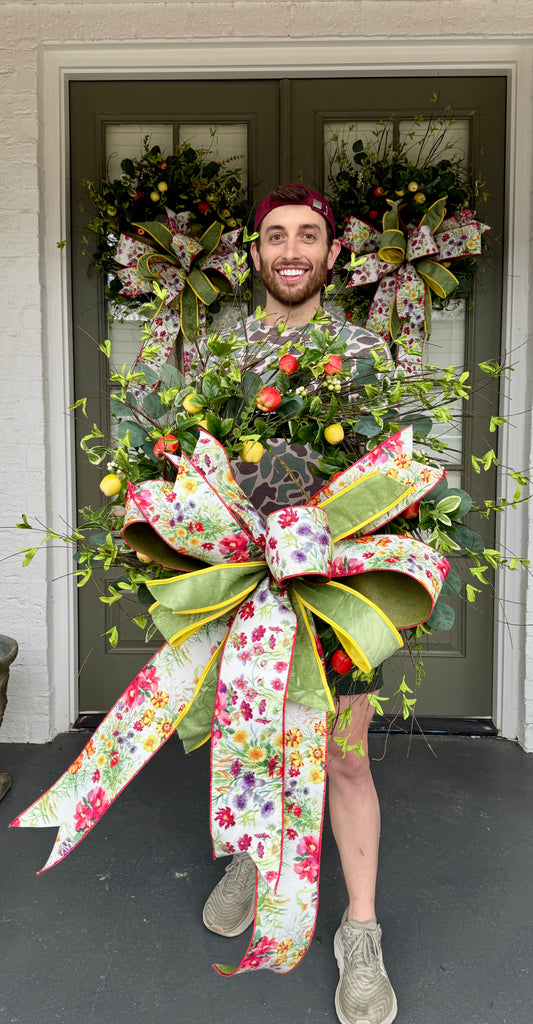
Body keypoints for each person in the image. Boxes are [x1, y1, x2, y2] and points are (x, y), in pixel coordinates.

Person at [202, 183, 398, 1024]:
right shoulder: (220, 353)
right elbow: (195, 464)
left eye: (307, 236)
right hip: (244, 585)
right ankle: (255, 854)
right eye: (274, 236)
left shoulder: (365, 354)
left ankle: (360, 934)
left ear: (330, 254)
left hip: (337, 589)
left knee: (344, 756)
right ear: (254, 254)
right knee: (249, 736)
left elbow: (395, 476)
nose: (290, 250)